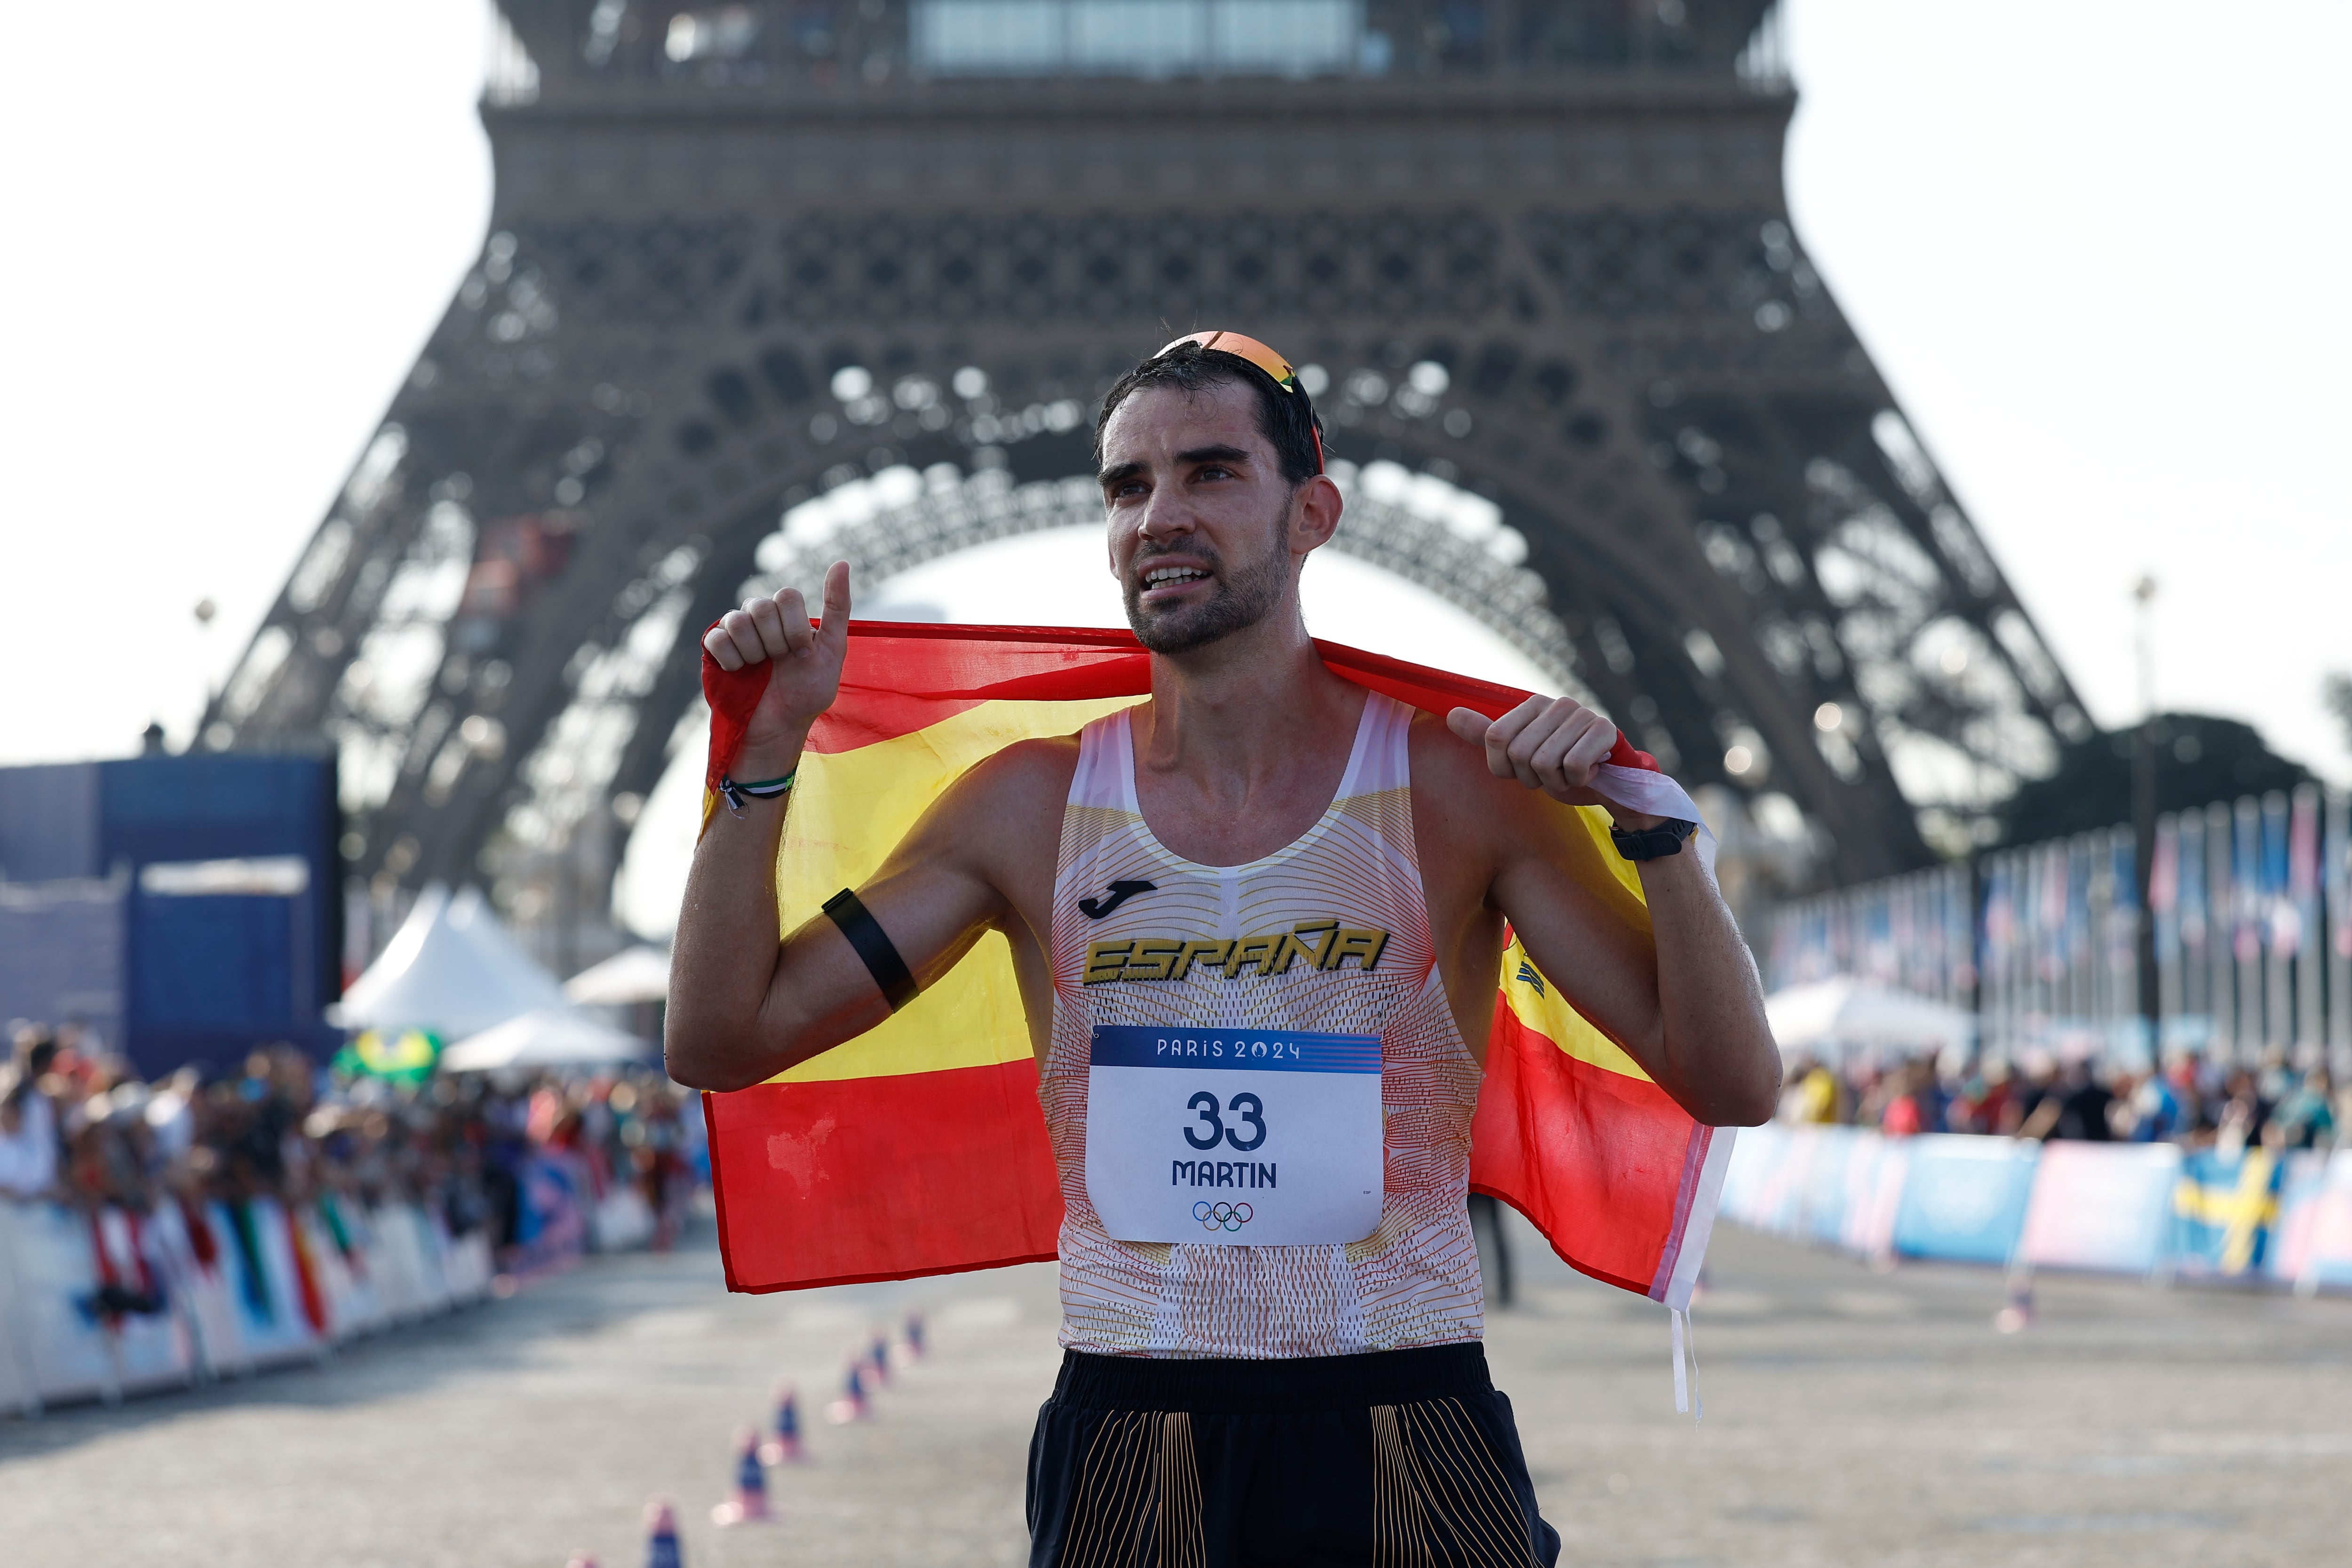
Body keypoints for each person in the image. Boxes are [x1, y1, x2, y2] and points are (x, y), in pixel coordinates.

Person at [667, 332, 1780, 1566]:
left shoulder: (1460, 789)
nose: (1160, 517)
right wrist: (759, 763)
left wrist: (1659, 839)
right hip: (1135, 1426)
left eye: (1210, 474)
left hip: (1405, 1409)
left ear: (1314, 512)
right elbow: (722, 1039)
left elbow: (1729, 1081)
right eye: (1128, 487)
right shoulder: (1024, 808)